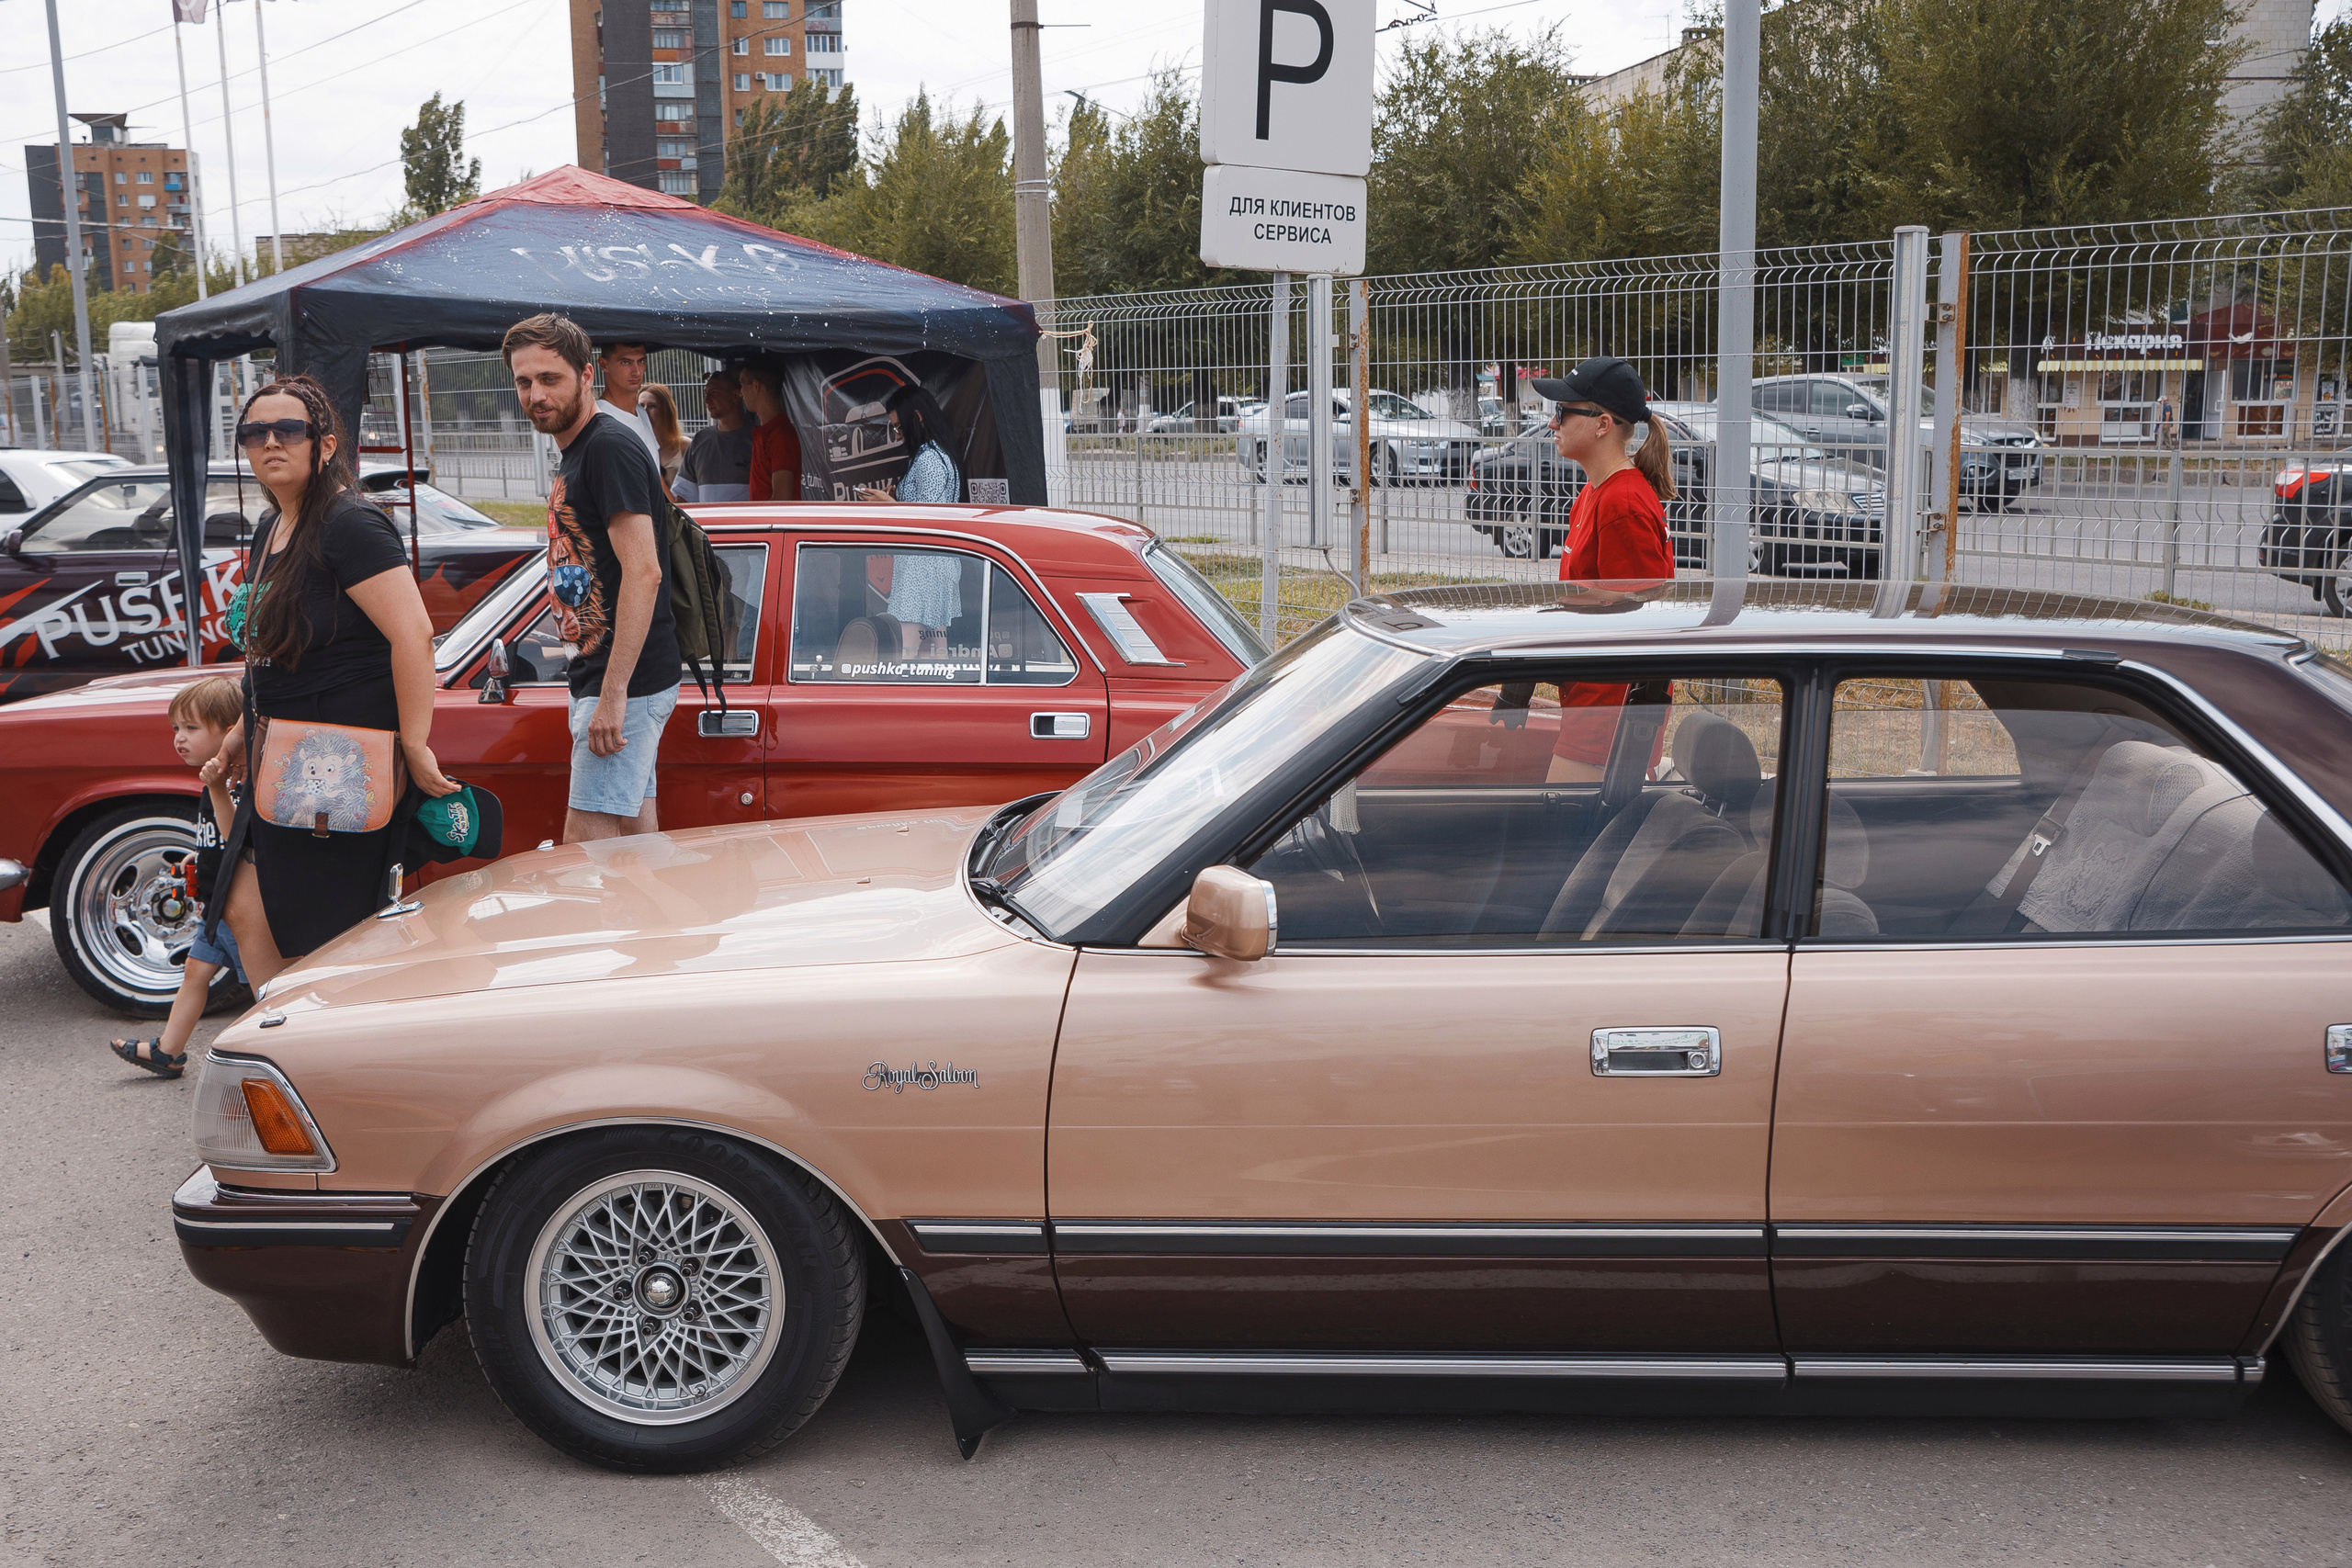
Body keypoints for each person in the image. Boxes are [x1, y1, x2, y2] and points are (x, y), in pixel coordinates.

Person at [209, 376, 461, 987]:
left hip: (336, 762)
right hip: (280, 752)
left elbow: (413, 635)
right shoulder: (272, 526)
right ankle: (285, 1026)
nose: (271, 442)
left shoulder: (350, 524)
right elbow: (273, 651)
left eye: (288, 430)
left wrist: (415, 743)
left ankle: (331, 1032)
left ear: (323, 445)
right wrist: (243, 727)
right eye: (255, 432)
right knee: (247, 909)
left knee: (329, 935)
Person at [505, 312, 681, 844]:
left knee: (585, 850)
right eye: (524, 382)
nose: (536, 395)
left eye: (549, 379)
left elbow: (644, 573)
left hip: (624, 682)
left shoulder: (607, 448)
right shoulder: (579, 450)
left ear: (586, 376)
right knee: (633, 840)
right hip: (609, 676)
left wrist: (613, 693)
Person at [1527, 355, 1677, 784]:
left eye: (1562, 411)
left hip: (1606, 721)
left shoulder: (1622, 505)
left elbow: (1641, 632)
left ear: (1602, 424)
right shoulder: (1595, 492)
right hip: (1589, 706)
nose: (1552, 423)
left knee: (1558, 823)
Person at [108, 676, 243, 1077]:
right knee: (194, 972)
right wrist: (200, 855)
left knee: (266, 986)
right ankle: (168, 1051)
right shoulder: (215, 779)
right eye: (176, 728)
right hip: (215, 905)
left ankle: (282, 1057)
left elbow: (238, 837)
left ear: (230, 732)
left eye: (191, 727)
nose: (179, 738)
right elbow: (219, 839)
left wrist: (218, 789)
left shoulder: (237, 782)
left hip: (241, 909)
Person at [858, 385, 966, 658]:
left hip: (922, 567)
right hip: (935, 564)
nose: (898, 435)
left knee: (904, 652)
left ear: (917, 417)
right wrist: (898, 499)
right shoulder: (936, 453)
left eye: (898, 426)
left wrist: (889, 504)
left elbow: (927, 521)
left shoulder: (929, 459)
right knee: (933, 654)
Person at [678, 367, 755, 502]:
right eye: (705, 393)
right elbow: (683, 496)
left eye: (714, 393)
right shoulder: (700, 440)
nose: (707, 400)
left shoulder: (757, 439)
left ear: (736, 395)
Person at [740, 358, 802, 501]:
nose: (741, 393)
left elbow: (782, 499)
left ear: (755, 385)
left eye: (742, 384)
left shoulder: (780, 436)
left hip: (773, 516)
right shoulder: (767, 431)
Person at [595, 339, 663, 467]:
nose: (636, 372)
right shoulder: (596, 418)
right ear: (603, 364)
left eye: (641, 361)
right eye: (626, 362)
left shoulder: (642, 413)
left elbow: (656, 472)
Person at [639, 382, 688, 491]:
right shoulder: (633, 447)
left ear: (666, 410)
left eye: (652, 406)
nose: (645, 411)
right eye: (641, 406)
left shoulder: (685, 446)